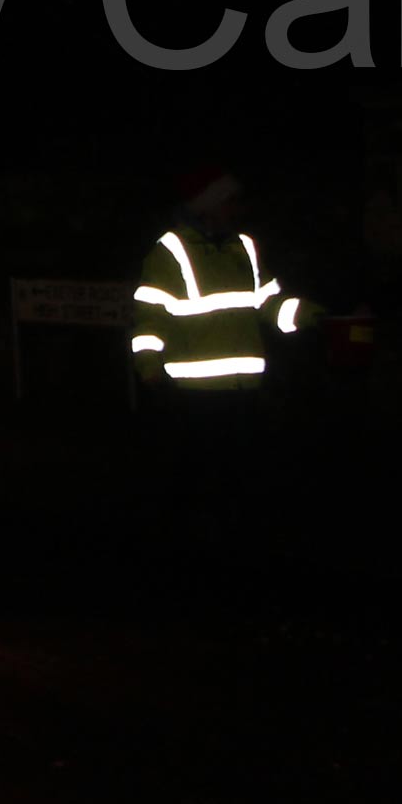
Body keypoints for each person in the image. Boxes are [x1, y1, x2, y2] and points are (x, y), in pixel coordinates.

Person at [133, 166, 313, 539]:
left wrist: (311, 315)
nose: (237, 208)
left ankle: (229, 539)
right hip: (193, 394)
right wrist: (149, 366)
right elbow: (150, 314)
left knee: (238, 478)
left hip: (243, 390)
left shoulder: (244, 247)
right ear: (209, 205)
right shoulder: (171, 250)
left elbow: (269, 303)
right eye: (229, 201)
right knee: (194, 476)